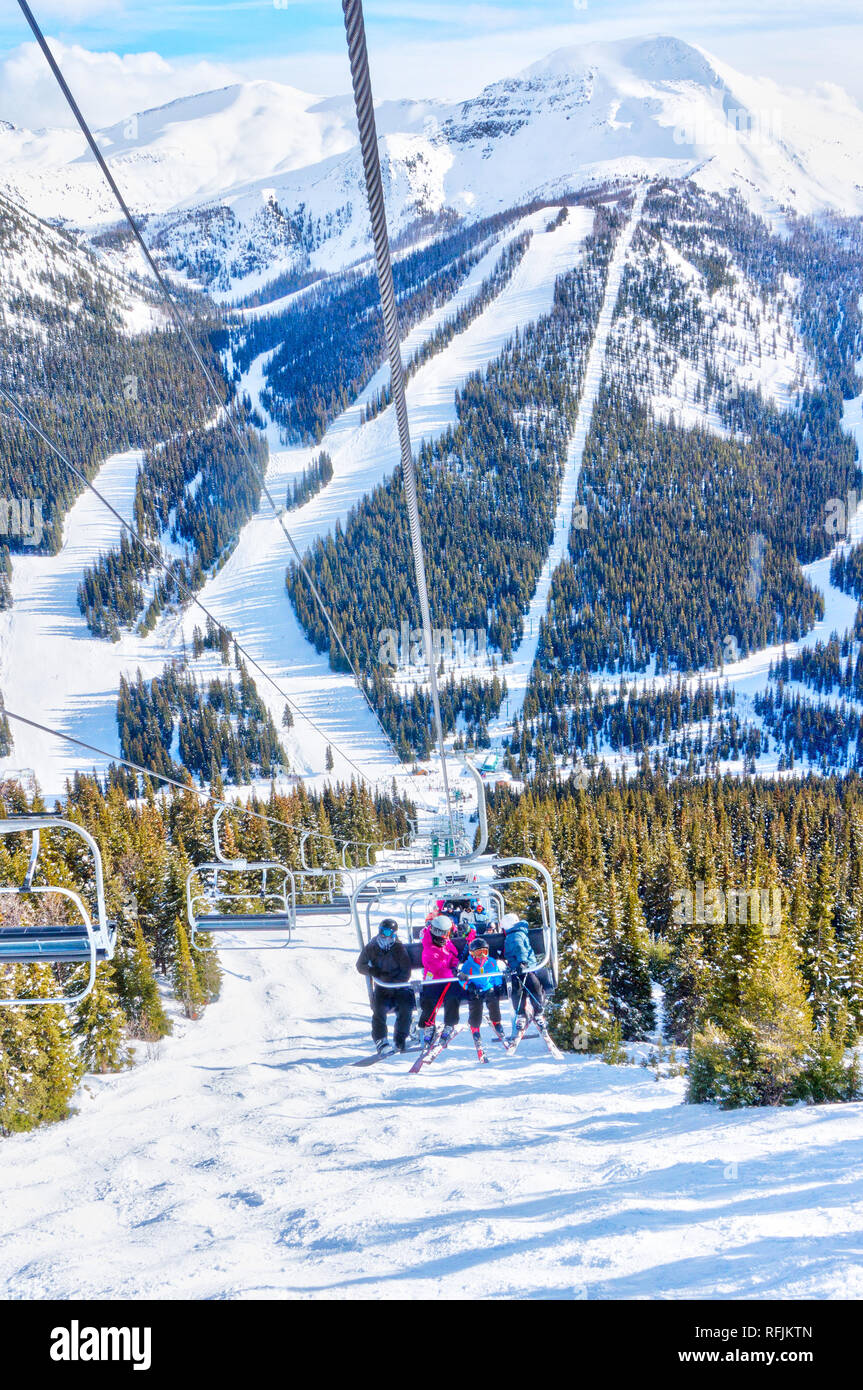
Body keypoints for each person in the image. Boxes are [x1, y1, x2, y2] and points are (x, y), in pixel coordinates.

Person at [356, 917, 414, 1053]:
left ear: (393, 934)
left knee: (406, 1007)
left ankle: (400, 1039)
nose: (384, 935)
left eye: (388, 933)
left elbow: (406, 972)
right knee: (379, 1009)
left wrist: (394, 984)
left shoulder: (398, 948)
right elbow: (360, 965)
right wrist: (372, 971)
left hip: (399, 986)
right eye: (382, 931)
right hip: (382, 986)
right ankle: (381, 1040)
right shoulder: (372, 947)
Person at [501, 912, 549, 1037]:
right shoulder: (516, 933)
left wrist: (522, 963)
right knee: (522, 989)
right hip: (521, 968)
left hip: (523, 968)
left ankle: (532, 1012)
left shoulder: (515, 936)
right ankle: (527, 1012)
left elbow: (520, 949)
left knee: (529, 987)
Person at [458, 936, 508, 1055]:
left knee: (494, 1003)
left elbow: (496, 974)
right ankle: (475, 1027)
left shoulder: (491, 962)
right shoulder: (468, 965)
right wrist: (468, 986)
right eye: (478, 952)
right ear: (472, 953)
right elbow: (461, 978)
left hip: (487, 987)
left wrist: (499, 985)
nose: (482, 956)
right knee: (476, 1007)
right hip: (475, 990)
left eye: (484, 952)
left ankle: (496, 1022)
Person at [419, 914, 461, 1042]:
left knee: (453, 996)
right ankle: (428, 1025)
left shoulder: (446, 942)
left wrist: (454, 965)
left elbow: (454, 956)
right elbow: (438, 969)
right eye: (440, 934)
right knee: (430, 1000)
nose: (443, 938)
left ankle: (450, 1023)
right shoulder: (429, 948)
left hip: (448, 980)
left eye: (445, 934)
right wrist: (453, 974)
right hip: (434, 981)